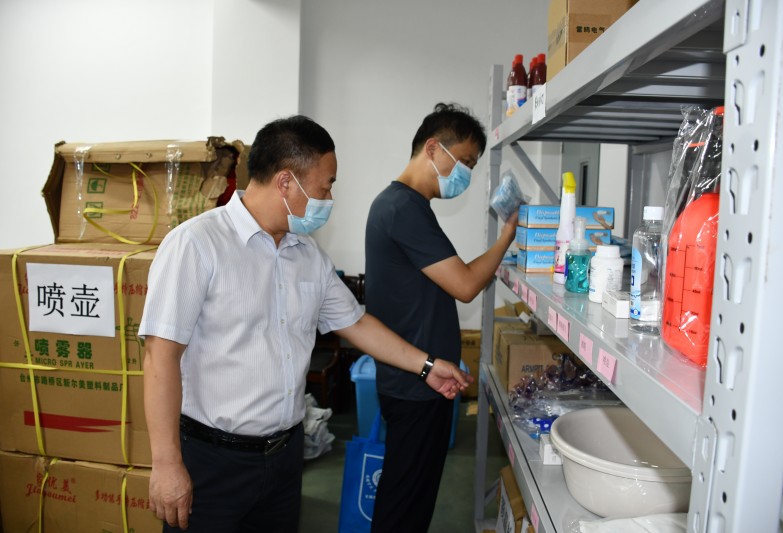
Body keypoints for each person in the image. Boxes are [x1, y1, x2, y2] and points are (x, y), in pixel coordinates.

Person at [139, 115, 472, 532]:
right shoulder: (197, 245)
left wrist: (426, 366)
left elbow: (356, 324)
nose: (329, 198)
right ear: (285, 182)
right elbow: (160, 357)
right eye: (325, 186)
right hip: (213, 461)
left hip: (283, 459)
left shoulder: (308, 256)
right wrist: (166, 464)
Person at [365, 103, 518, 532]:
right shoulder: (403, 208)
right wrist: (507, 236)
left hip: (422, 378)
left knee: (410, 500)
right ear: (433, 148)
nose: (466, 174)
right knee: (404, 506)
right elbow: (465, 284)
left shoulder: (408, 206)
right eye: (464, 162)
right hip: (414, 384)